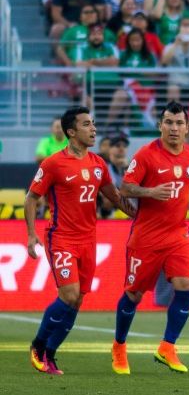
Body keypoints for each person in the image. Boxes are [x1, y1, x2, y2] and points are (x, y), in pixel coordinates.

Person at [26, 107, 134, 375]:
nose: (93, 129)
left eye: (93, 123)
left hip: (89, 240)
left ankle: (50, 354)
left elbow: (115, 197)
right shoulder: (53, 163)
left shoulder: (98, 164)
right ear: (71, 132)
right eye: (87, 124)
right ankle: (38, 345)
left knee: (77, 301)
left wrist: (140, 216)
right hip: (61, 237)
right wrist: (31, 234)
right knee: (68, 294)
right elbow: (31, 198)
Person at [111, 101, 189, 375]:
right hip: (146, 237)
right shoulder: (146, 155)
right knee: (133, 294)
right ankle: (119, 346)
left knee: (186, 286)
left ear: (187, 128)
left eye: (179, 123)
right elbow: (125, 188)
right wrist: (151, 192)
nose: (174, 128)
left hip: (178, 234)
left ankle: (167, 347)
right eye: (169, 122)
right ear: (160, 126)